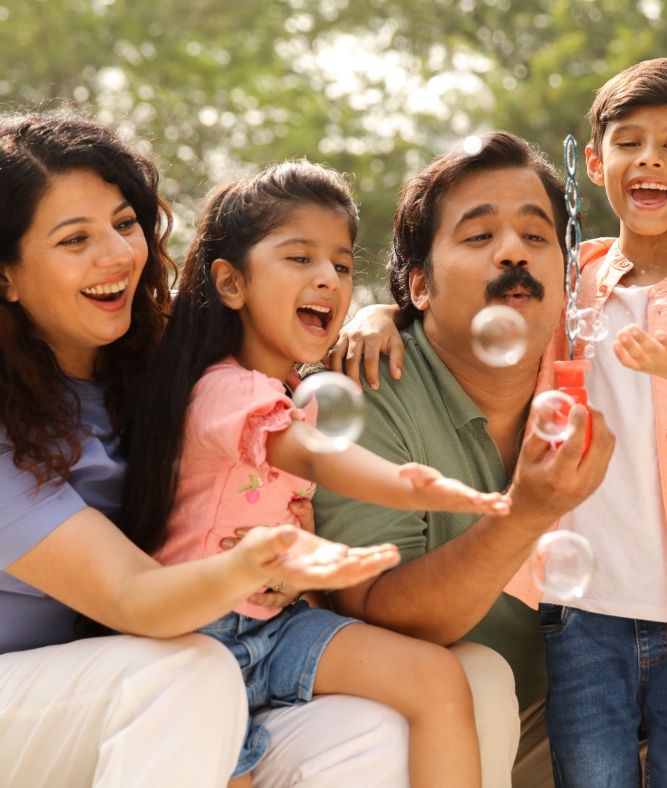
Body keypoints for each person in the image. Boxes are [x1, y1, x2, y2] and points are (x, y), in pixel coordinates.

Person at [0, 113, 411, 788]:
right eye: (74, 239)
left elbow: (287, 315)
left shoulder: (157, 353)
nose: (116, 255)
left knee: (368, 733)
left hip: (126, 682)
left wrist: (382, 313)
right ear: (2, 274)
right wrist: (251, 563)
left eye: (123, 223)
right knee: (185, 675)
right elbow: (132, 596)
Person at [321, 129, 667, 788]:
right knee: (478, 680)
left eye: (538, 238)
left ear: (573, 279)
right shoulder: (375, 387)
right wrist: (527, 513)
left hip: (573, 713)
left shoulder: (601, 377)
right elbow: (371, 609)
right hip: (435, 731)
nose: (514, 251)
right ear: (420, 287)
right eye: (479, 237)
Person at [121, 160, 511, 787]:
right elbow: (311, 453)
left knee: (438, 678)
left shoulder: (302, 387)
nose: (328, 279)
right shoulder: (224, 392)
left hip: (277, 627)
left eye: (340, 262)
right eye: (299, 258)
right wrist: (414, 483)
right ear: (230, 283)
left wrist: (382, 313)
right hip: (196, 646)